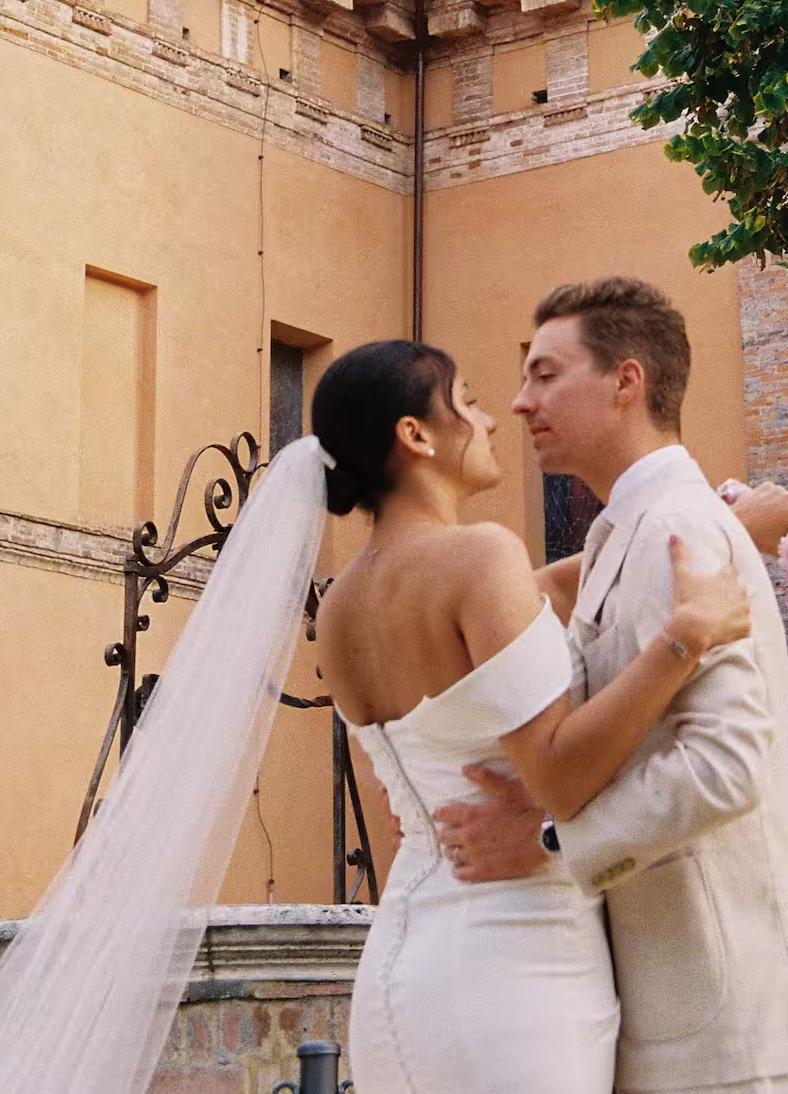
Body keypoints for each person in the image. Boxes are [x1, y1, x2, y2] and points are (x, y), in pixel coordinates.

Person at [433, 278, 788, 1094]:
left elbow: (724, 766)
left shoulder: (679, 529)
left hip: (728, 1024)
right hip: (671, 1017)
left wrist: (550, 840)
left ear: (628, 381)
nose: (521, 402)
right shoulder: (626, 529)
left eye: (546, 374)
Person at [312, 339, 755, 1094]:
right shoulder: (479, 555)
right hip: (516, 961)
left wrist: (717, 521)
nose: (491, 420)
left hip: (401, 967)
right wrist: (688, 635)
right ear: (416, 436)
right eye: (470, 401)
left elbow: (543, 592)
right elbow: (558, 774)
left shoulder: (342, 606)